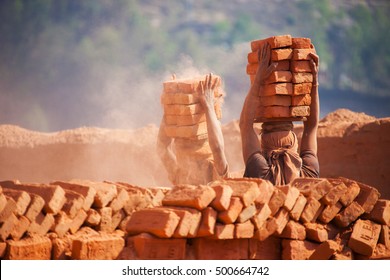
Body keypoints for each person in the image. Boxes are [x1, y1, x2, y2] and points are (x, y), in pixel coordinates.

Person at [239, 42, 320, 185]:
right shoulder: (307, 173)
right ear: (293, 142)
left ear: (264, 145)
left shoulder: (261, 172)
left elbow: (245, 125)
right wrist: (312, 81)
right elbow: (311, 126)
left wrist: (258, 79)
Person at [157, 73, 229, 185]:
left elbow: (162, 146)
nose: (188, 140)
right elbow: (217, 149)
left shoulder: (180, 177)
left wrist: (170, 107)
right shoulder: (216, 179)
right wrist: (173, 103)